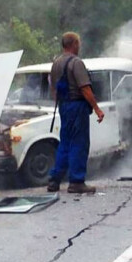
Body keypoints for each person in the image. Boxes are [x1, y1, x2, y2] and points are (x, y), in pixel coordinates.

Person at [47, 32, 104, 193]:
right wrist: (97, 109)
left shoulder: (56, 63)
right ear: (74, 44)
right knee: (79, 143)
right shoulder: (76, 63)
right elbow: (84, 88)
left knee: (65, 143)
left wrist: (62, 105)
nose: (79, 46)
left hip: (63, 106)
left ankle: (54, 180)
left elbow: (53, 88)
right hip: (77, 107)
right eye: (78, 43)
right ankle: (77, 181)